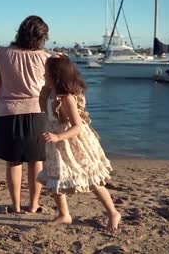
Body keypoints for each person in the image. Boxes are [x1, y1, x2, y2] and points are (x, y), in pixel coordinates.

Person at [37, 55, 121, 230]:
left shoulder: (66, 98)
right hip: (55, 144)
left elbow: (78, 126)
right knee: (55, 179)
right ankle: (64, 214)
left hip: (73, 143)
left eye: (47, 74)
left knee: (91, 179)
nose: (44, 76)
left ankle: (113, 213)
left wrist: (58, 137)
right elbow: (48, 114)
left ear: (58, 77)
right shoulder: (48, 92)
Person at [0, 15, 50, 213]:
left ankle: (15, 206)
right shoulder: (45, 58)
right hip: (38, 112)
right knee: (36, 161)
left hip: (8, 112)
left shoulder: (2, 55)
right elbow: (51, 89)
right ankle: (33, 205)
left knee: (13, 161)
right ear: (42, 36)